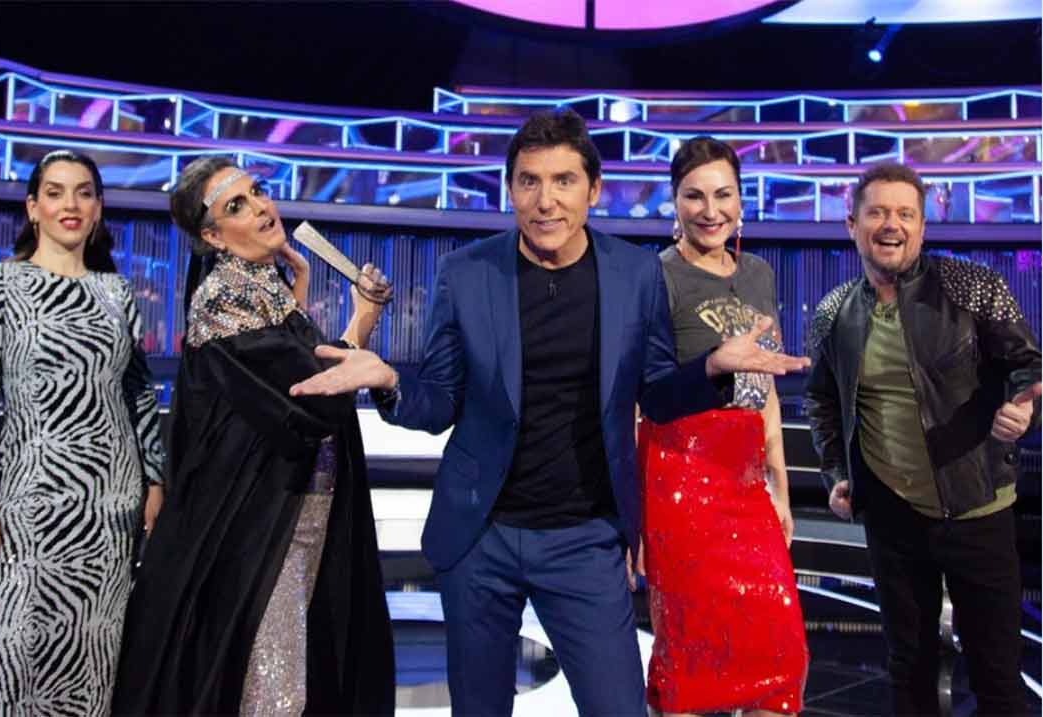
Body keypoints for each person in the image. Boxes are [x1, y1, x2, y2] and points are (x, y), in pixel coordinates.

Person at [289, 109, 809, 717]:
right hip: (480, 539)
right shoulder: (467, 273)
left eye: (564, 181)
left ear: (593, 190)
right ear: (510, 189)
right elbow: (440, 402)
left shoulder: (636, 274)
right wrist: (390, 381)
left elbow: (657, 395)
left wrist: (714, 367)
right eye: (529, 181)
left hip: (584, 540)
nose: (546, 201)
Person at [110, 156, 395, 716]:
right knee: (272, 685)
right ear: (213, 237)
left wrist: (301, 295)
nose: (262, 207)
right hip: (259, 522)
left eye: (258, 192)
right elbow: (311, 397)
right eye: (236, 206)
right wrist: (361, 321)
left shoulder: (263, 284)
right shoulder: (224, 298)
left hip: (301, 512)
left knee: (292, 668)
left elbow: (283, 372)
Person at [804, 162, 1041, 716]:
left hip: (978, 508)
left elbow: (1028, 365)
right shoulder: (835, 311)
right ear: (852, 225)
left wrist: (1024, 405)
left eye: (905, 213)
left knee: (997, 678)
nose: (892, 224)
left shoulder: (972, 287)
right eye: (877, 212)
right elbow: (821, 401)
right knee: (908, 670)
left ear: (922, 226)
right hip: (892, 519)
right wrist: (837, 473)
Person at [0, 150, 165, 715]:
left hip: (110, 508)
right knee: (9, 654)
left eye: (83, 192)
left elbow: (138, 394)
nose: (70, 205)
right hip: (26, 507)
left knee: (94, 663)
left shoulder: (116, 292)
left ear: (98, 207)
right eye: (54, 193)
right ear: (33, 208)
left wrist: (154, 480)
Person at [638, 137, 808, 716]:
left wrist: (779, 485)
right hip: (681, 477)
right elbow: (643, 396)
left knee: (780, 655)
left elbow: (766, 388)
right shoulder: (656, 277)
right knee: (692, 656)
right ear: (674, 201)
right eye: (695, 196)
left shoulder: (758, 274)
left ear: (741, 199)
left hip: (746, 479)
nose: (710, 211)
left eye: (723, 195)